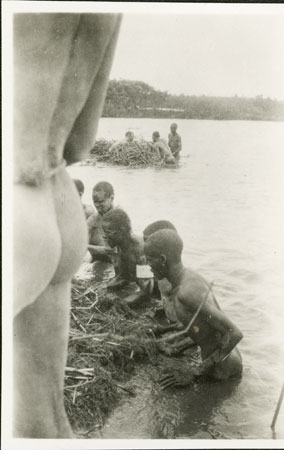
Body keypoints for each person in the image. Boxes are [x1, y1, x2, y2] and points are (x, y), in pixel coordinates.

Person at [13, 13, 121, 438]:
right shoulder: (107, 8)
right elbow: (79, 142)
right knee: (46, 426)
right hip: (56, 201)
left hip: (15, 198)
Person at [144, 230, 243, 388]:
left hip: (223, 372)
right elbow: (200, 326)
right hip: (222, 362)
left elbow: (235, 333)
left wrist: (195, 371)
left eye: (149, 260)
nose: (148, 266)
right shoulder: (188, 277)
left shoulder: (187, 292)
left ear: (162, 259)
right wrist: (162, 332)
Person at [102, 208, 154, 305]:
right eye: (103, 232)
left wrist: (122, 302)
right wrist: (104, 289)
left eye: (108, 232)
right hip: (142, 285)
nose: (104, 236)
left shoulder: (140, 250)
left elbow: (147, 290)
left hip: (154, 290)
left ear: (121, 231)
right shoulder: (121, 246)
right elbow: (123, 277)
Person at [87, 181, 115, 262]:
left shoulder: (120, 216)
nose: (97, 206)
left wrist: (85, 246)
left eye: (101, 202)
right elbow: (80, 237)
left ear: (111, 198)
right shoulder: (95, 218)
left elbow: (114, 250)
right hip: (102, 258)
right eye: (95, 202)